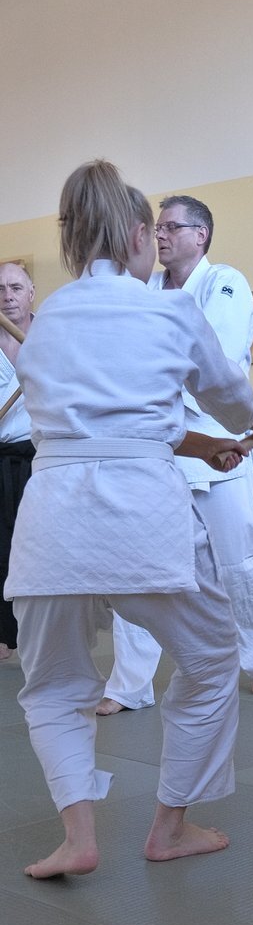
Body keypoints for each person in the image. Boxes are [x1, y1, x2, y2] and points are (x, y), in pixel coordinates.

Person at [6, 159, 253, 878]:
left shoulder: (44, 325)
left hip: (53, 524)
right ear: (136, 234)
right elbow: (229, 397)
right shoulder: (166, 309)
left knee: (53, 685)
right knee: (213, 656)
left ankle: (78, 837)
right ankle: (169, 827)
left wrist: (206, 444)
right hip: (142, 517)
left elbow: (93, 424)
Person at [98, 193, 253, 713]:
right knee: (141, 567)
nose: (159, 236)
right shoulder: (144, 290)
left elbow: (213, 365)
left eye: (172, 227)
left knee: (237, 564)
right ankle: (129, 684)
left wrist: (151, 381)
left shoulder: (225, 283)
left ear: (201, 234)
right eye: (156, 228)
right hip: (162, 447)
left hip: (218, 444)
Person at [0, 262, 36, 660]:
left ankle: (35, 634)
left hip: (35, 457)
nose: (7, 295)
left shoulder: (49, 337)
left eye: (15, 287)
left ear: (31, 293)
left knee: (33, 548)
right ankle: (1, 633)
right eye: (0, 288)